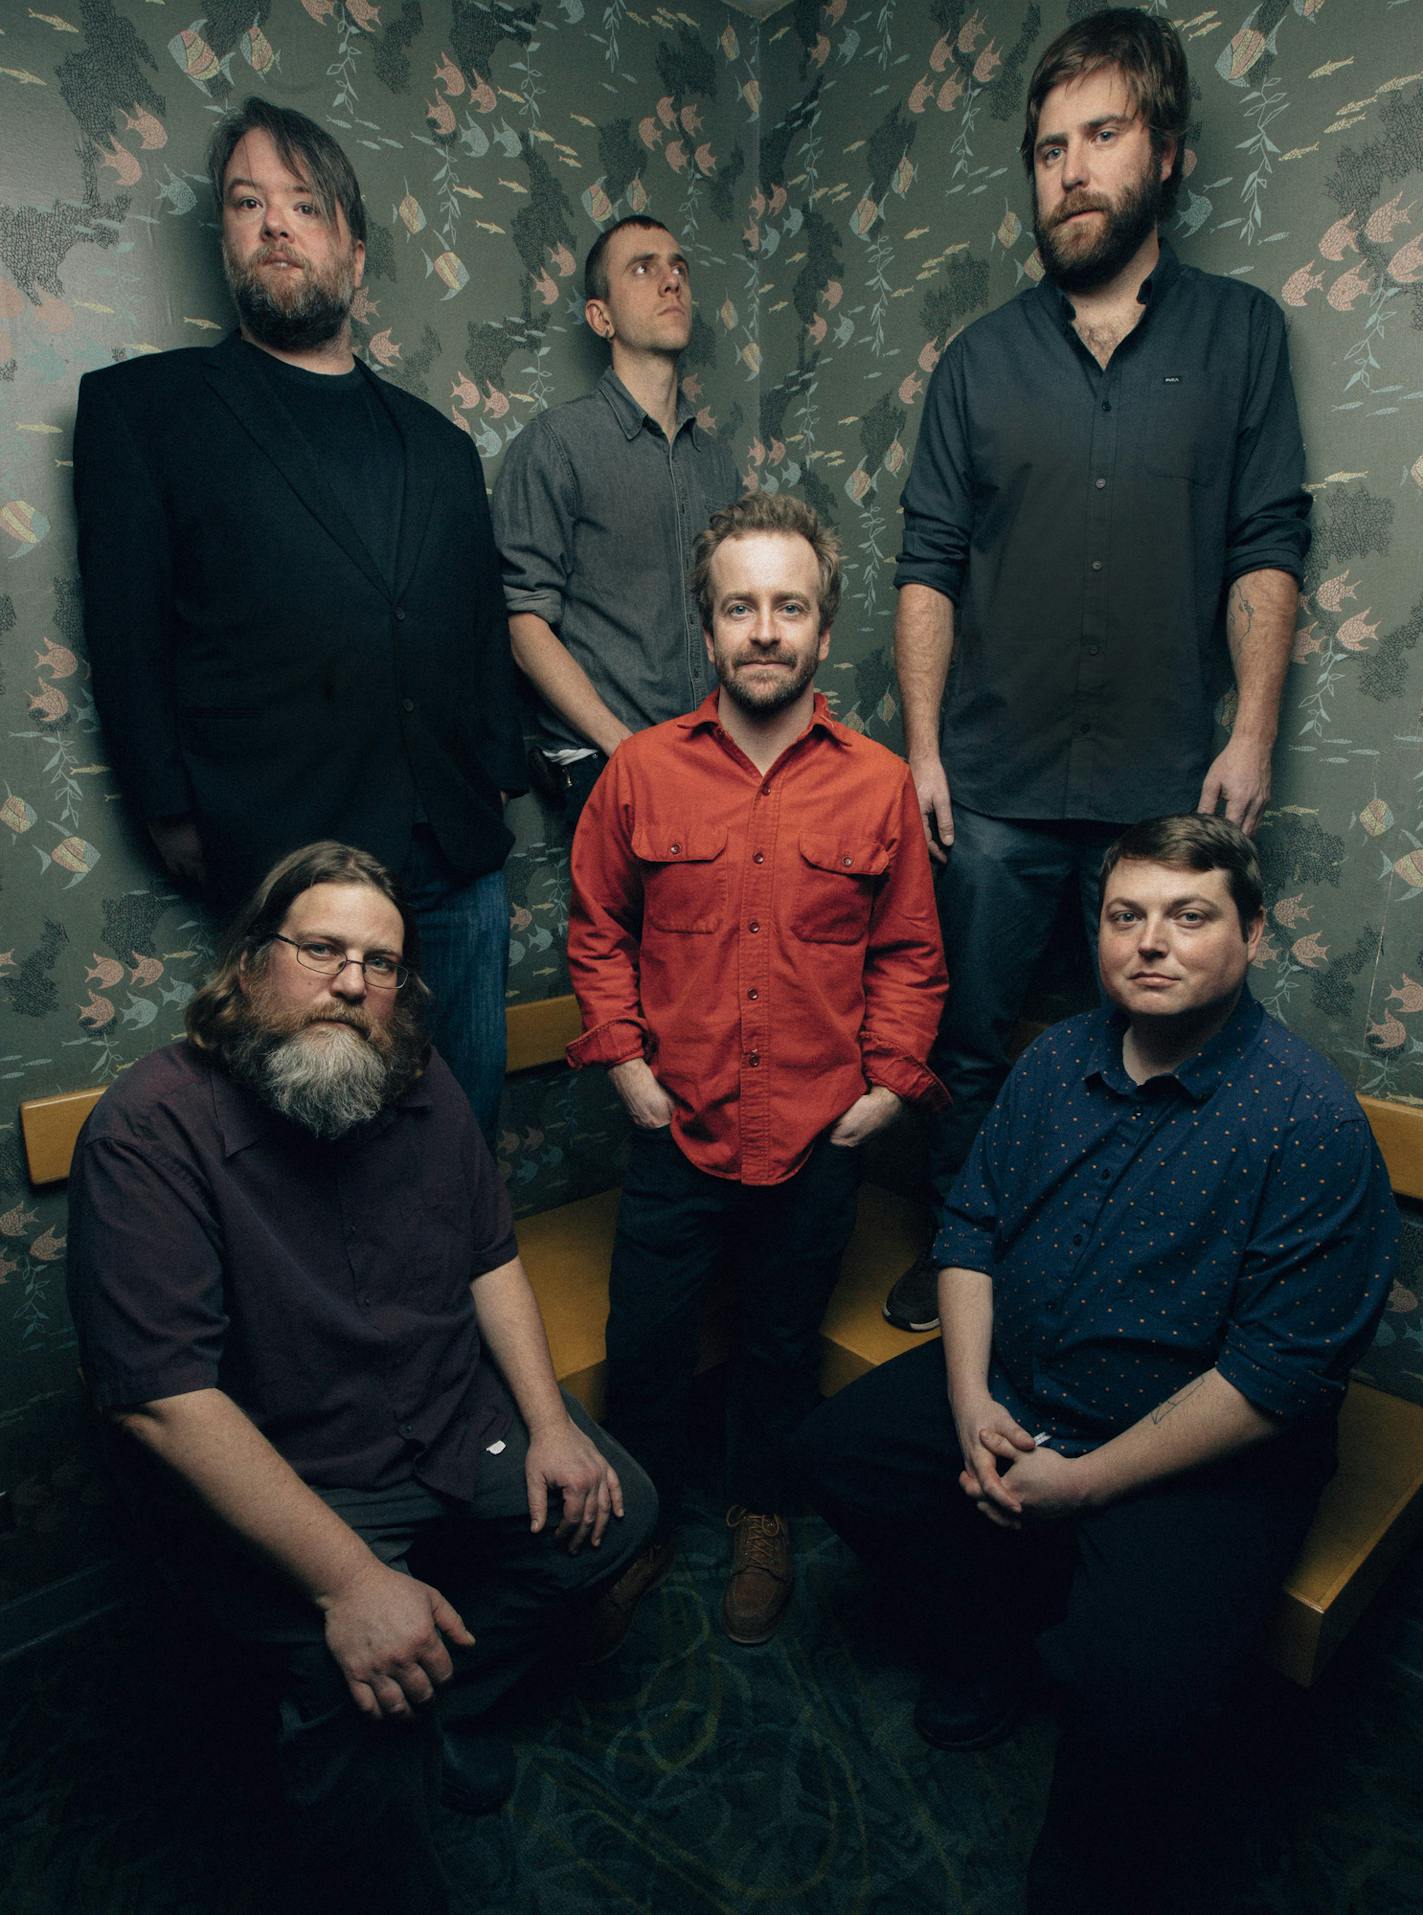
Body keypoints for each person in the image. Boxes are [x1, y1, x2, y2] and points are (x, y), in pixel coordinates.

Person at [791, 814, 1397, 1915]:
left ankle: (1081, 1879)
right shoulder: (1057, 1058)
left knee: (1134, 1695)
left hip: (1190, 1454)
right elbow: (969, 1227)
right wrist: (972, 1402)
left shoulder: (1304, 1120)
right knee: (841, 1453)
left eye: (1188, 915)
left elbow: (1276, 1375)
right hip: (1021, 1387)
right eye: (1126, 915)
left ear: (1250, 934)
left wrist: (1085, 1479)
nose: (1149, 942)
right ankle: (991, 1639)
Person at [65, 841, 658, 1915]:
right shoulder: (147, 1130)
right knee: (359, 1706)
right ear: (249, 964)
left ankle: (447, 1706)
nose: (352, 981)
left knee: (618, 1512)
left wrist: (551, 1425)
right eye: (322, 948)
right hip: (295, 1474)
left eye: (380, 963)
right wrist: (349, 1581)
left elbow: (490, 1255)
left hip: (440, 1414)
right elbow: (163, 1401)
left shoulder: (412, 1073)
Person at [885, 8, 1312, 1332]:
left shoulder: (1240, 335)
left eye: (1103, 136)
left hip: (1163, 787)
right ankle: (959, 1252)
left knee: (1153, 1051)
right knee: (968, 1040)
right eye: (1049, 147)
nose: (1069, 170)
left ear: (1166, 152)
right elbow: (927, 563)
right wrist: (923, 749)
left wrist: (1251, 734)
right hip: (999, 785)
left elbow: (1266, 542)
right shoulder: (979, 360)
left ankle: (1111, 1283)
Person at [73, 97, 524, 1141]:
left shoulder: (439, 443)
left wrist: (496, 768)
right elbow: (126, 630)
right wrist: (166, 805)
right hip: (288, 854)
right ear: (226, 237)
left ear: (352, 254)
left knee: (461, 1129)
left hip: (454, 855)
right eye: (247, 202)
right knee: (309, 1146)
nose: (276, 224)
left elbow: (473, 616)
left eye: (305, 205)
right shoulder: (146, 411)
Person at [565, 493, 946, 1644]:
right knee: (645, 1345)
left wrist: (888, 1083)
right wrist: (623, 1062)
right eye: (742, 607)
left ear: (824, 632)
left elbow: (909, 951)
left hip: (814, 1134)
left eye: (789, 606)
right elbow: (595, 929)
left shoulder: (875, 783)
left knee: (780, 1346)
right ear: (710, 627)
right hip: (672, 1128)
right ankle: (639, 1525)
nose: (765, 629)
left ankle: (762, 1514)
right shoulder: (637, 771)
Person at [491, 214, 740, 821]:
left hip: (715, 757)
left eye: (678, 267)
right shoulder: (556, 444)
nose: (670, 281)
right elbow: (524, 624)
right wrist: (622, 747)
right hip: (608, 762)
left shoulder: (718, 463)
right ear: (601, 317)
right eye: (643, 268)